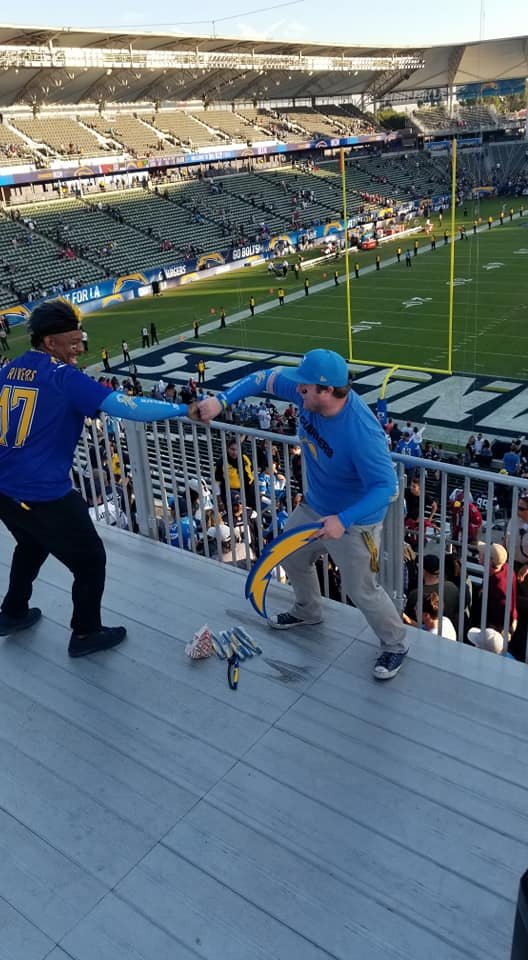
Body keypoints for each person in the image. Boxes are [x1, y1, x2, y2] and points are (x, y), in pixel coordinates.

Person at [197, 349, 410, 681]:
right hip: (314, 506)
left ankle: (395, 644)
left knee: (361, 589)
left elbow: (387, 487)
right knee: (291, 555)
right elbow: (261, 378)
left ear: (326, 391)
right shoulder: (310, 393)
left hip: (353, 522)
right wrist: (222, 401)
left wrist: (344, 519)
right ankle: (308, 611)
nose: (297, 391)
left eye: (305, 388)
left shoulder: (361, 431)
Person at [0, 299, 196, 657]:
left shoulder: (10, 369)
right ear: (49, 342)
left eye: (81, 340)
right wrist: (185, 408)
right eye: (72, 342)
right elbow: (127, 407)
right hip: (41, 491)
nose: (79, 349)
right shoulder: (64, 377)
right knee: (90, 561)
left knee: (31, 544)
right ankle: (86, 633)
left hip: (5, 489)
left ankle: (12, 612)